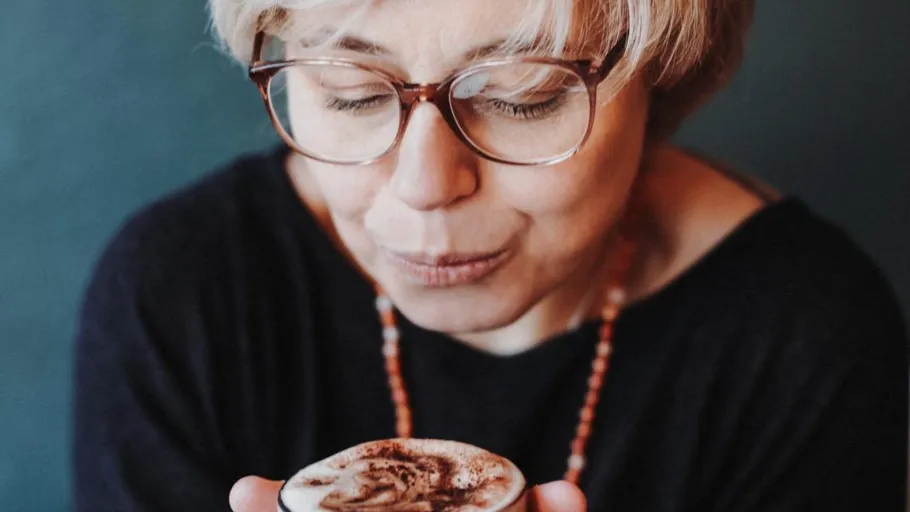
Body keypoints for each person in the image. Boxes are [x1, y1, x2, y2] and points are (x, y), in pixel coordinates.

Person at [72, 0, 908, 510]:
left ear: (660, 79)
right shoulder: (182, 294)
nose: (427, 185)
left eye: (521, 97)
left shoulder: (805, 335)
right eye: (352, 94)